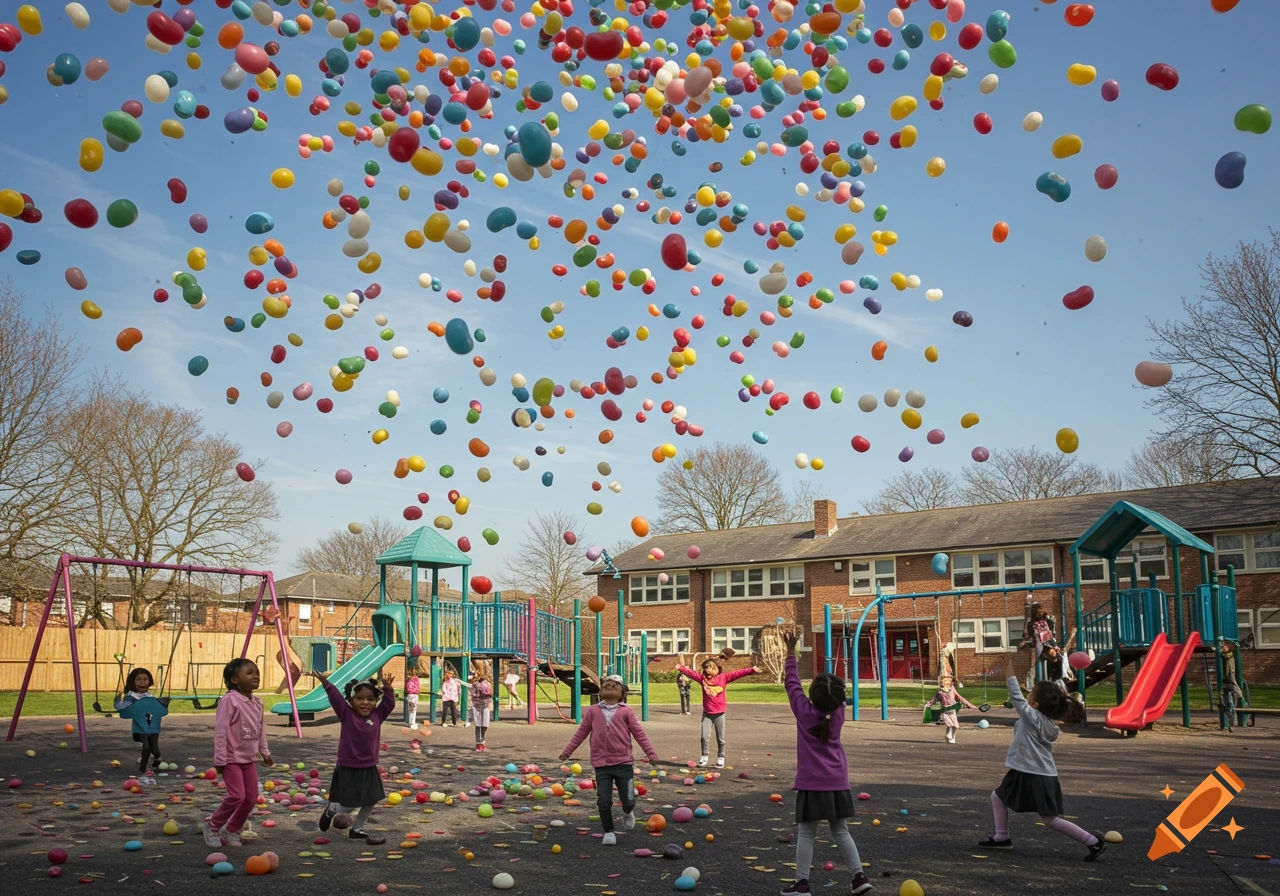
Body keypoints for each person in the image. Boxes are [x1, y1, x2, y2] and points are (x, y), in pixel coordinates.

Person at [779, 632, 871, 896]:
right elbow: (833, 694)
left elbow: (791, 683)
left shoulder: (804, 712)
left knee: (806, 833)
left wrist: (790, 651)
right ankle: (858, 876)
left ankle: (802, 883)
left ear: (812, 697)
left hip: (811, 783)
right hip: (837, 781)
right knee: (841, 831)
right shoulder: (839, 712)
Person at [980, 670, 1105, 861]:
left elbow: (1016, 697)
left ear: (1035, 704)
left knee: (1050, 820)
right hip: (1030, 771)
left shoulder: (1033, 717)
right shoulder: (1047, 722)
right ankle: (1002, 837)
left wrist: (1010, 673)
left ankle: (1092, 841)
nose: (1027, 695)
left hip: (1033, 774)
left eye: (1031, 693)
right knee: (997, 797)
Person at [559, 674, 658, 846]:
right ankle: (609, 831)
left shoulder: (626, 711)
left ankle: (628, 811)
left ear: (622, 693)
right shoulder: (593, 711)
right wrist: (567, 752)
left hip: (623, 763)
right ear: (600, 691)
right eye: (606, 684)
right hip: (601, 765)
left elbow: (639, 734)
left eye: (615, 684)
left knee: (628, 799)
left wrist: (651, 754)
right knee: (603, 800)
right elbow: (581, 733)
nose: (610, 685)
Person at [313, 667, 397, 845]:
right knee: (349, 804)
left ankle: (356, 830)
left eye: (370, 699)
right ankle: (332, 810)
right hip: (349, 768)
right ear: (351, 700)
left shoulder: (377, 715)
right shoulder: (346, 714)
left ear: (375, 701)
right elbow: (335, 698)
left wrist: (388, 688)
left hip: (369, 767)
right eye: (359, 698)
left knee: (371, 800)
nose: (365, 702)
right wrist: (326, 683)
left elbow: (389, 704)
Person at [204, 659, 272, 848]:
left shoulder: (257, 702)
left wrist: (265, 753)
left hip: (248, 759)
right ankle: (213, 827)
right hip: (230, 758)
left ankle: (232, 829)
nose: (256, 675)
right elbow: (221, 730)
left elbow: (260, 729)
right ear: (235, 679)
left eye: (256, 672)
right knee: (236, 796)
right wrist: (220, 758)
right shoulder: (230, 700)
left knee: (250, 798)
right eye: (249, 673)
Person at [675, 656, 762, 767]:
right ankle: (704, 756)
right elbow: (691, 674)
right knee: (704, 736)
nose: (709, 670)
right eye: (706, 667)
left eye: (712, 667)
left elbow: (738, 673)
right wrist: (681, 668)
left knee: (720, 738)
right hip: (707, 713)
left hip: (719, 713)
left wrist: (752, 669)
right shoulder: (703, 679)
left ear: (718, 669)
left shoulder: (724, 678)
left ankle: (721, 757)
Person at [114, 667, 169, 778]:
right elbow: (124, 707)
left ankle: (156, 759)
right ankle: (143, 769)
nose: (142, 681)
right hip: (140, 729)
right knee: (147, 747)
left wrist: (164, 702)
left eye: (145, 679)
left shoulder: (150, 696)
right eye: (139, 679)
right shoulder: (131, 696)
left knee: (155, 750)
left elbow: (157, 708)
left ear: (149, 681)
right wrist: (118, 702)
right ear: (133, 681)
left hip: (153, 727)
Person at [930, 674, 978, 744]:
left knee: (955, 726)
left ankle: (953, 737)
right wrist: (929, 705)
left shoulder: (952, 689)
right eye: (942, 682)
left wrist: (969, 705)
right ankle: (948, 734)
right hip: (945, 711)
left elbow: (960, 697)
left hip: (952, 711)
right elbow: (934, 701)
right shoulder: (939, 692)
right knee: (949, 725)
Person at [1219, 642, 1243, 732]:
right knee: (1229, 702)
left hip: (1230, 682)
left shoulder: (1229, 655)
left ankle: (1233, 721)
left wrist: (1220, 650)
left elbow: (1227, 656)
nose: (1224, 647)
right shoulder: (1223, 656)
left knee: (1235, 698)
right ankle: (1231, 722)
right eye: (1223, 645)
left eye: (1225, 645)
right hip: (1226, 682)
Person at [470, 661, 493, 751]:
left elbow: (490, 692)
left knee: (485, 724)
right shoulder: (475, 682)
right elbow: (473, 693)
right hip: (477, 705)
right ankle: (478, 743)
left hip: (485, 705)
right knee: (478, 724)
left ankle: (483, 740)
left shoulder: (487, 681)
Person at [405, 660, 421, 730]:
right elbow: (409, 688)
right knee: (412, 709)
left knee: (413, 709)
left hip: (414, 695)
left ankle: (412, 722)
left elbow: (417, 687)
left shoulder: (415, 679)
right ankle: (411, 723)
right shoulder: (410, 679)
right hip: (412, 695)